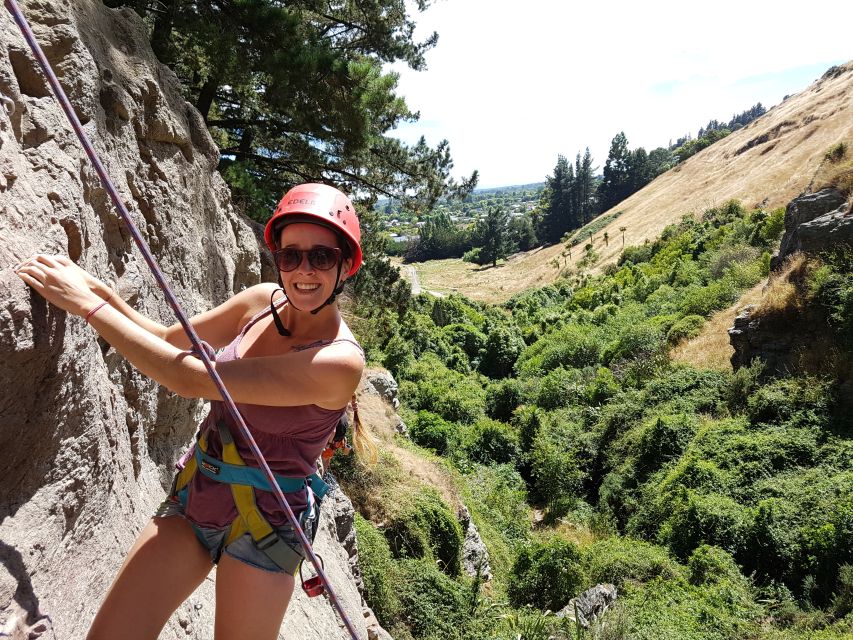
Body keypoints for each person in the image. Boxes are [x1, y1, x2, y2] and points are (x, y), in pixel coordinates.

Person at [14, 183, 371, 640]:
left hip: (268, 528)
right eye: (290, 255)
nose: (303, 270)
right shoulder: (259, 303)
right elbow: (167, 341)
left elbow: (191, 379)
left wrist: (89, 307)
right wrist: (92, 286)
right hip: (198, 494)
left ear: (346, 265)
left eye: (321, 257)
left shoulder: (339, 362)